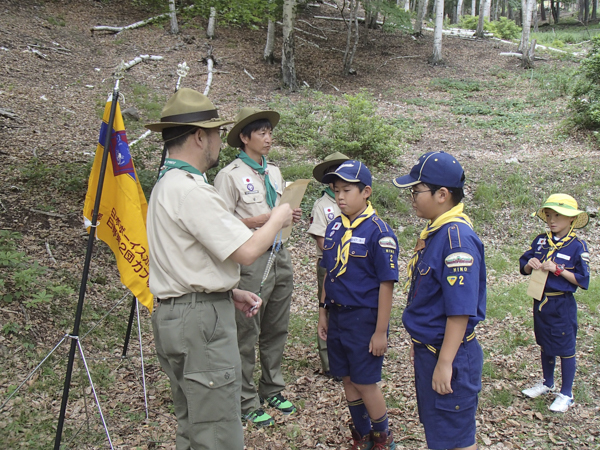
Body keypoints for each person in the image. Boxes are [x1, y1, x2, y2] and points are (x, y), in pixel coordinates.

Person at [144, 89, 293, 450]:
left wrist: (229, 291)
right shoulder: (191, 190)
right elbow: (246, 251)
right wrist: (278, 217)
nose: (217, 142)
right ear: (198, 136)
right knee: (218, 433)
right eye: (214, 133)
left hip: (177, 314)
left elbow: (185, 259)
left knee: (194, 425)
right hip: (200, 325)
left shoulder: (166, 185)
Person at [214, 107, 302, 427]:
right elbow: (219, 224)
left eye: (269, 132)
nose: (268, 138)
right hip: (251, 259)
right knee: (246, 330)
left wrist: (287, 217)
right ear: (244, 138)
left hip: (280, 252)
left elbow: (278, 210)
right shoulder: (230, 175)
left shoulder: (274, 173)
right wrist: (262, 219)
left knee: (277, 325)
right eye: (261, 133)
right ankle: (245, 398)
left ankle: (272, 387)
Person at [392, 151, 486, 450]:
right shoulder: (437, 232)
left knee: (456, 436)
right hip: (431, 350)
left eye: (416, 191)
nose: (412, 198)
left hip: (452, 356)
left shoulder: (456, 239)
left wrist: (444, 363)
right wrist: (419, 344)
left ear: (442, 194)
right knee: (440, 433)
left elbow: (459, 311)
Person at [317, 160, 399, 449]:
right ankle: (362, 433)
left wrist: (380, 331)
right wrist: (323, 312)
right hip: (338, 314)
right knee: (348, 378)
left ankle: (382, 436)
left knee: (365, 381)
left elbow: (386, 285)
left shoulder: (380, 232)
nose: (340, 196)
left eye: (347, 190)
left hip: (364, 318)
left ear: (366, 192)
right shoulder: (334, 227)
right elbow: (329, 273)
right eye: (336, 190)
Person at [519, 193, 590, 413]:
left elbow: (582, 279)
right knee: (545, 342)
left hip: (562, 305)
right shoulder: (541, 240)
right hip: (540, 300)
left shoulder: (577, 246)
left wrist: (559, 270)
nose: (552, 220)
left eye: (558, 216)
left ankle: (566, 393)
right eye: (549, 215)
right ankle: (548, 383)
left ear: (571, 219)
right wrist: (530, 264)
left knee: (565, 347)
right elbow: (524, 264)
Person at [307, 151, 349, 378]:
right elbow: (322, 240)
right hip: (329, 265)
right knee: (327, 307)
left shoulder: (357, 201)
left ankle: (347, 356)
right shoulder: (323, 205)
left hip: (354, 267)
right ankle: (329, 362)